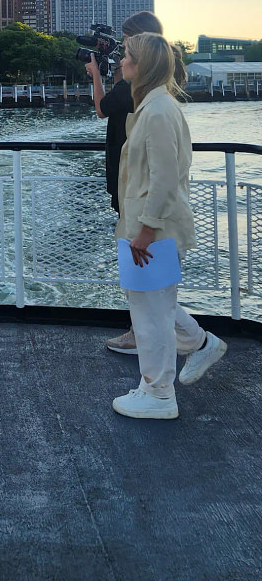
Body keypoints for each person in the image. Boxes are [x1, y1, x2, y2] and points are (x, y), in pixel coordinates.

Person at [111, 32, 227, 419]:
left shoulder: (158, 111)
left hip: (151, 232)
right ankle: (199, 344)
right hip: (146, 227)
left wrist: (145, 231)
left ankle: (159, 394)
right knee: (154, 305)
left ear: (142, 64)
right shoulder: (154, 106)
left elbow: (163, 178)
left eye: (127, 56)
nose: (121, 62)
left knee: (150, 315)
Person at [86, 12, 165, 356]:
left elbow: (103, 108)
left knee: (141, 260)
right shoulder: (150, 87)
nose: (122, 49)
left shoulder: (136, 87)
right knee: (150, 264)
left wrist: (95, 75)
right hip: (133, 183)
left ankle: (144, 334)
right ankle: (147, 333)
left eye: (127, 43)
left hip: (132, 184)